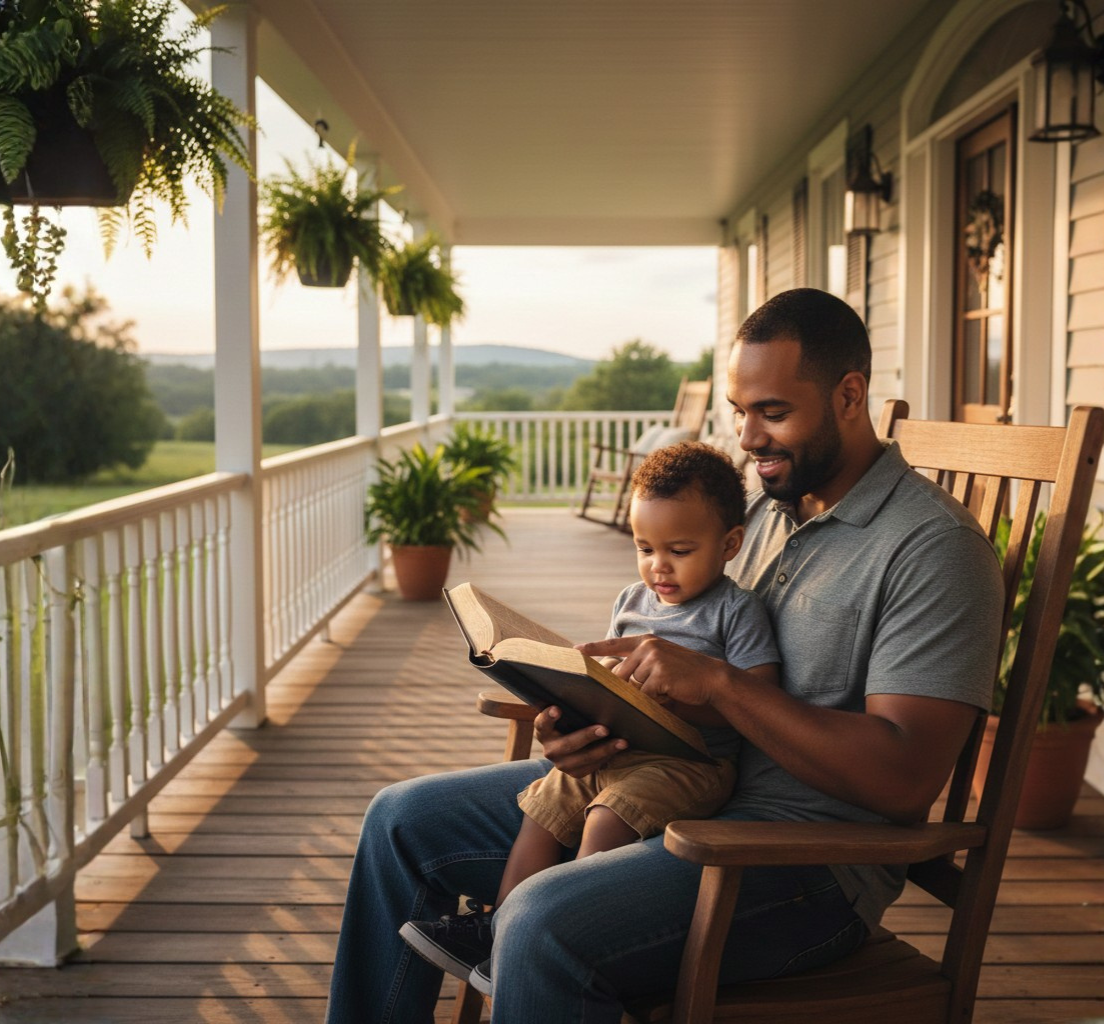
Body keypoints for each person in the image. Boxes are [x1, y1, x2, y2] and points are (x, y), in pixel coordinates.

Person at [325, 287, 1005, 1024]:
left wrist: (717, 685)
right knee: (400, 820)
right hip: (672, 781)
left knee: (539, 922)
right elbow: (690, 652)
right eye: (740, 412)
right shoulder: (759, 511)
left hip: (799, 865)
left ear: (849, 396)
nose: (748, 438)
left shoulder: (935, 551)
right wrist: (587, 716)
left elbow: (904, 778)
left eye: (772, 413)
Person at [397, 441, 781, 987]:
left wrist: (688, 699)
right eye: (644, 548)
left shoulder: (734, 611)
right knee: (544, 802)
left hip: (691, 765)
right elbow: (607, 682)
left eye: (680, 549)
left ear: (729, 545)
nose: (658, 566)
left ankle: (565, 925)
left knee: (608, 814)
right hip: (619, 751)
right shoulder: (631, 600)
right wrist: (569, 701)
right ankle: (500, 931)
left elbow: (755, 703)